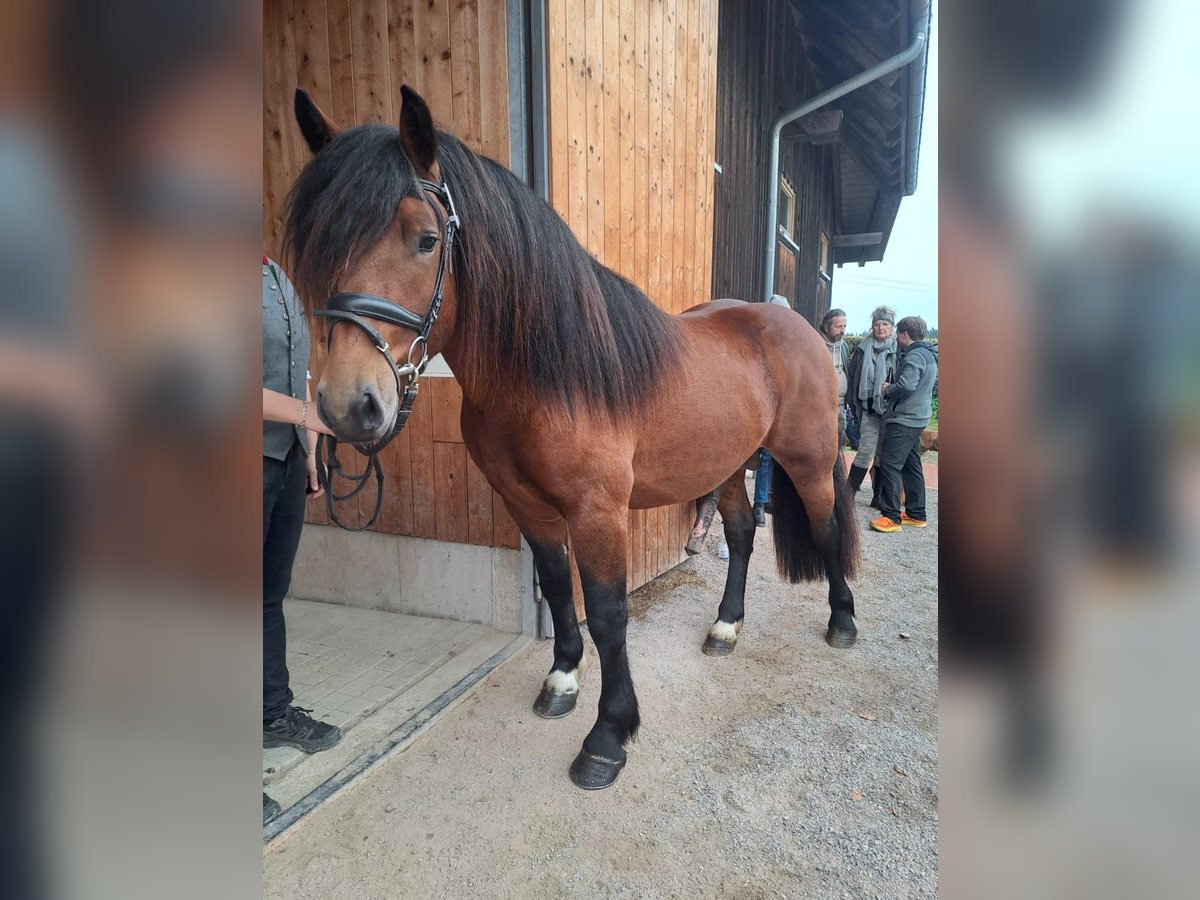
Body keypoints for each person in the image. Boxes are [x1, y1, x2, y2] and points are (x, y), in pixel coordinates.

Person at [262, 256, 341, 825]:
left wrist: (308, 452)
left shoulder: (275, 275)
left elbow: (299, 369)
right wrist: (310, 414)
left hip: (283, 459)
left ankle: (270, 713)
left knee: (267, 596)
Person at [869, 316, 938, 533]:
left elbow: (907, 385)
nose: (896, 338)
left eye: (898, 333)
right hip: (919, 416)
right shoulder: (929, 354)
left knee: (890, 464)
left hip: (905, 418)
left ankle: (891, 516)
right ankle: (917, 514)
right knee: (911, 464)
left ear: (905, 334)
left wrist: (888, 389)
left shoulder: (914, 355)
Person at [846, 306, 898, 503]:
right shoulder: (862, 348)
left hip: (890, 410)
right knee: (865, 450)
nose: (881, 328)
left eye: (885, 324)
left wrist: (892, 387)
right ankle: (849, 492)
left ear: (892, 327)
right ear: (871, 327)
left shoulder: (898, 349)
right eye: (877, 324)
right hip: (867, 408)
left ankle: (879, 495)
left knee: (884, 453)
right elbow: (853, 376)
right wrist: (852, 403)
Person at [751, 294, 794, 527]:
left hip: (788, 415)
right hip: (766, 416)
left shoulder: (794, 347)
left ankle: (773, 501)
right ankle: (760, 503)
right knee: (767, 458)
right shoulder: (758, 346)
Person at [819, 307, 851, 448]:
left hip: (840, 406)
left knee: (836, 447)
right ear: (826, 327)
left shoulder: (844, 347)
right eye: (838, 326)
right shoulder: (816, 345)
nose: (843, 331)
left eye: (844, 326)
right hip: (820, 406)